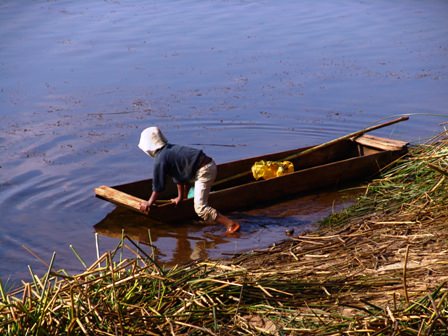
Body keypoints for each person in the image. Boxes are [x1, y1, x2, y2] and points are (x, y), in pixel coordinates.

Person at [138, 126, 241, 235]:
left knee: (200, 208)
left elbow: (158, 186)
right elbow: (179, 177)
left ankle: (231, 225)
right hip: (206, 166)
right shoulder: (168, 151)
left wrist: (149, 202)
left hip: (204, 170)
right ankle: (220, 220)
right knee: (198, 204)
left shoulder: (161, 159)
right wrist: (181, 197)